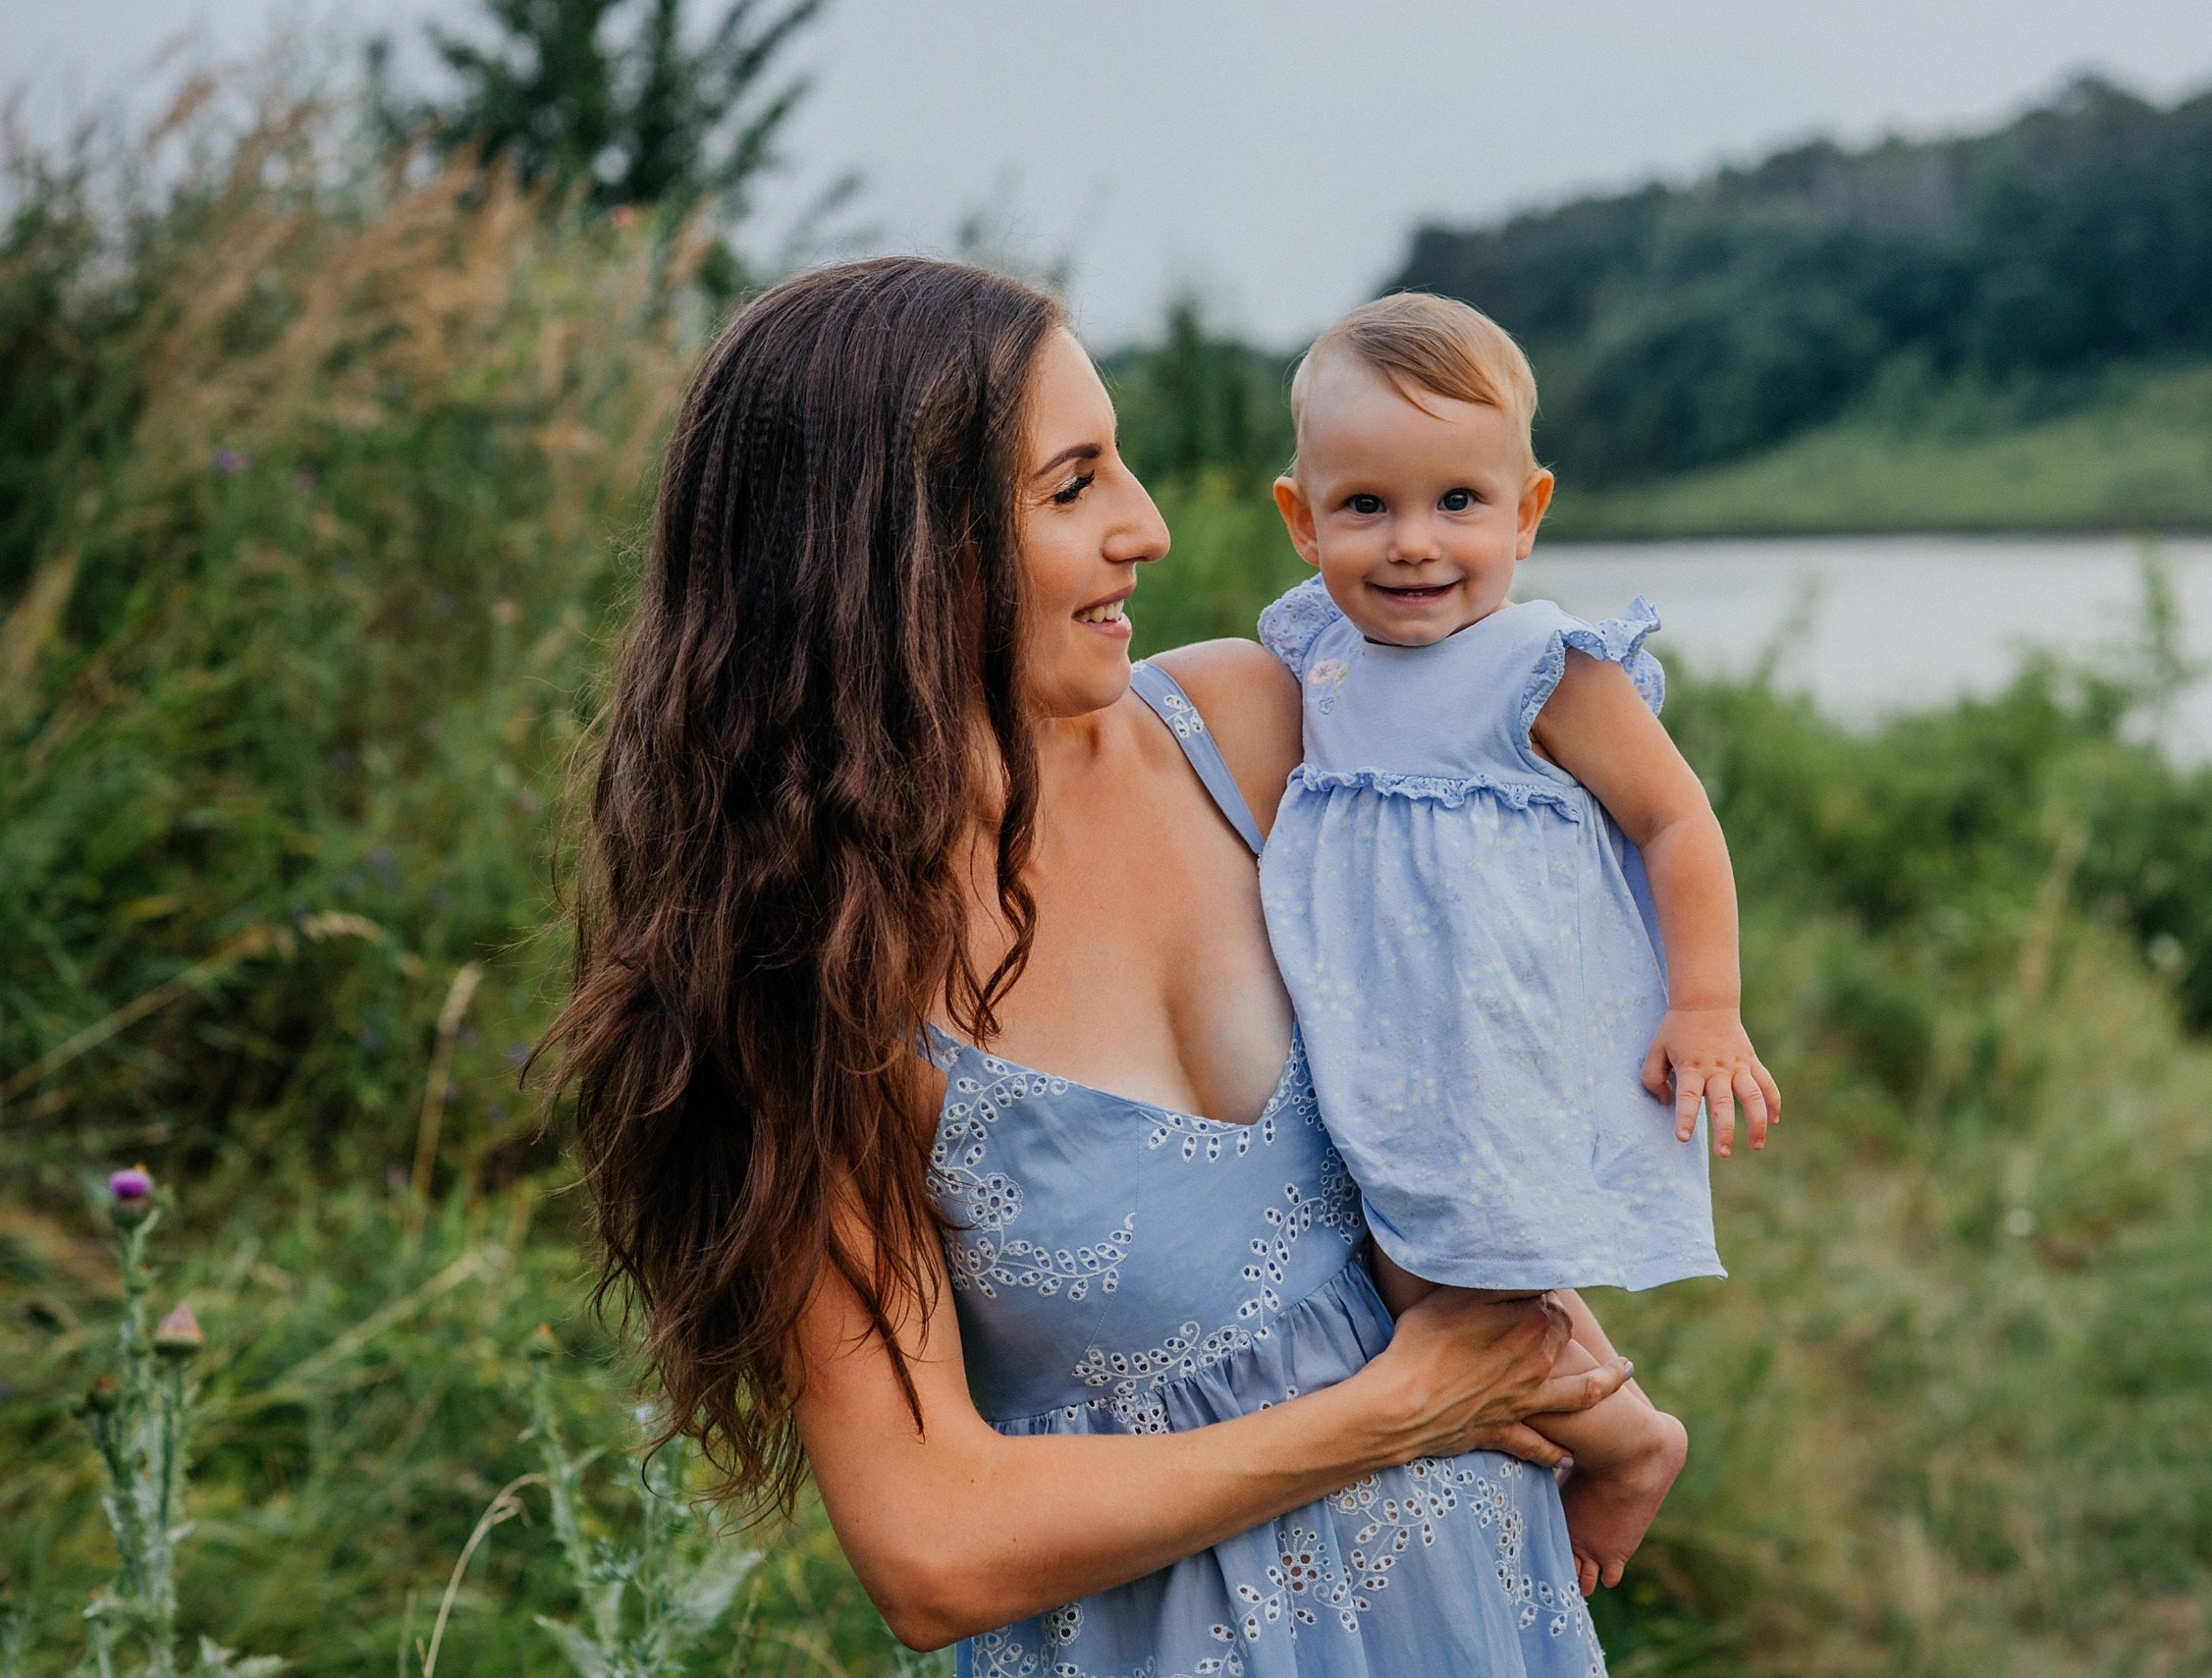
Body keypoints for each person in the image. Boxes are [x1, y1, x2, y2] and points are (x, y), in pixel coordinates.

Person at [546, 256, 1630, 1675]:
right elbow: (933, 1545)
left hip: (1477, 1611)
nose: (1150, 528)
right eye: (1073, 487)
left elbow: (1447, 1109)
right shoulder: (802, 984)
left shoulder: (1250, 729)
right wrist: (1397, 1411)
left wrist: (1611, 1403)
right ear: (894, 552)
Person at [1254, 294, 1785, 1590]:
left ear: (1528, 511)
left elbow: (1675, 819)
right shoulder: (1318, 655)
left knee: (1459, 1282)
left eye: (1459, 503)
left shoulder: (1542, 664)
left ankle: (1627, 1440)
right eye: (1367, 506)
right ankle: (1560, 1425)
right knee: (1413, 1262)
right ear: (1302, 515)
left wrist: (1705, 1003)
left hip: (1497, 1034)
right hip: (1378, 1033)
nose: (1415, 544)